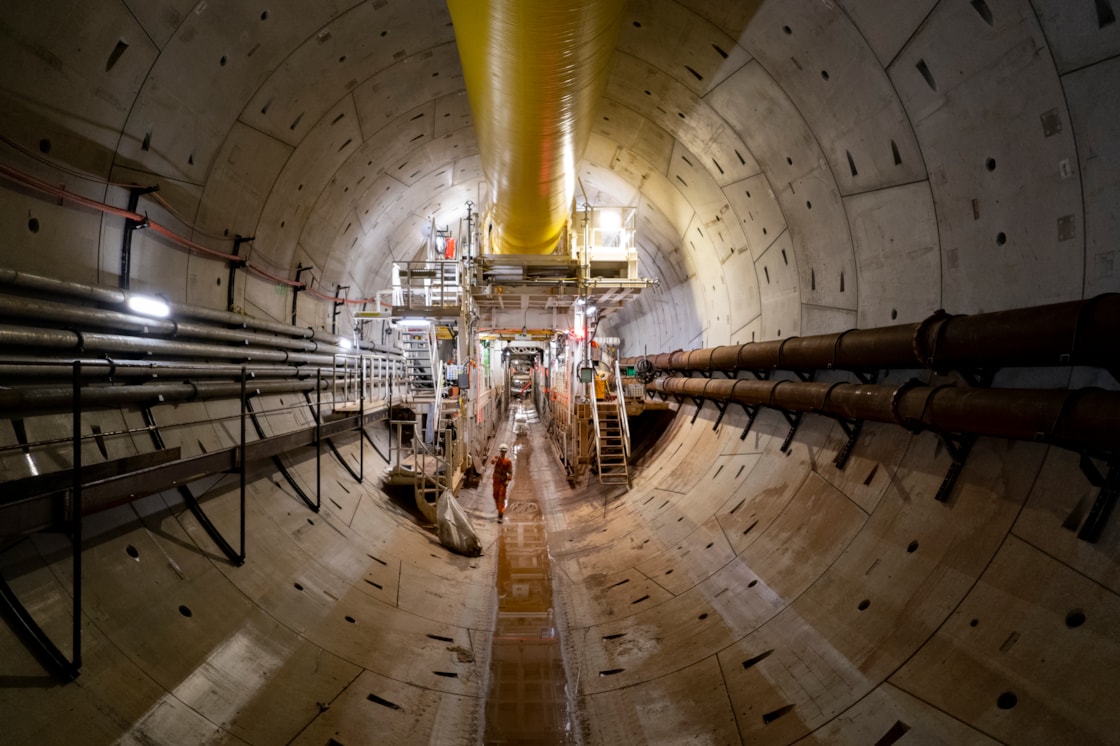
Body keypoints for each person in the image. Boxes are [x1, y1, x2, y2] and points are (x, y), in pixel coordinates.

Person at [491, 443, 513, 523]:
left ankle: (500, 515)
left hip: (502, 483)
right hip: (496, 481)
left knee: (501, 497)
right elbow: (492, 462)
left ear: (505, 452)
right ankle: (499, 510)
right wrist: (495, 460)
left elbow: (510, 472)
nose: (502, 453)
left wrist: (507, 480)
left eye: (504, 451)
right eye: (501, 451)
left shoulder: (508, 462)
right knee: (495, 495)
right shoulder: (497, 459)